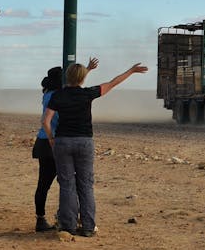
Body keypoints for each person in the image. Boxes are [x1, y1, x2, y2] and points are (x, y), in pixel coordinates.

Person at [42, 59, 148, 238]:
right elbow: (113, 82)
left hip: (63, 142)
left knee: (67, 184)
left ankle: (68, 226)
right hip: (84, 142)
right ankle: (89, 226)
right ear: (83, 79)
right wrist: (131, 70)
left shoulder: (57, 96)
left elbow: (45, 120)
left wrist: (51, 138)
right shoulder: (88, 94)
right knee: (86, 185)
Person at [32, 58, 98, 233]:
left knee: (45, 184)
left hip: (44, 142)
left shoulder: (49, 95)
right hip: (55, 140)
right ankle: (70, 219)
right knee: (70, 183)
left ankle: (42, 218)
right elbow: (74, 91)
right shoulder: (59, 96)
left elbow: (73, 85)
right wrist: (53, 138)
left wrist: (87, 70)